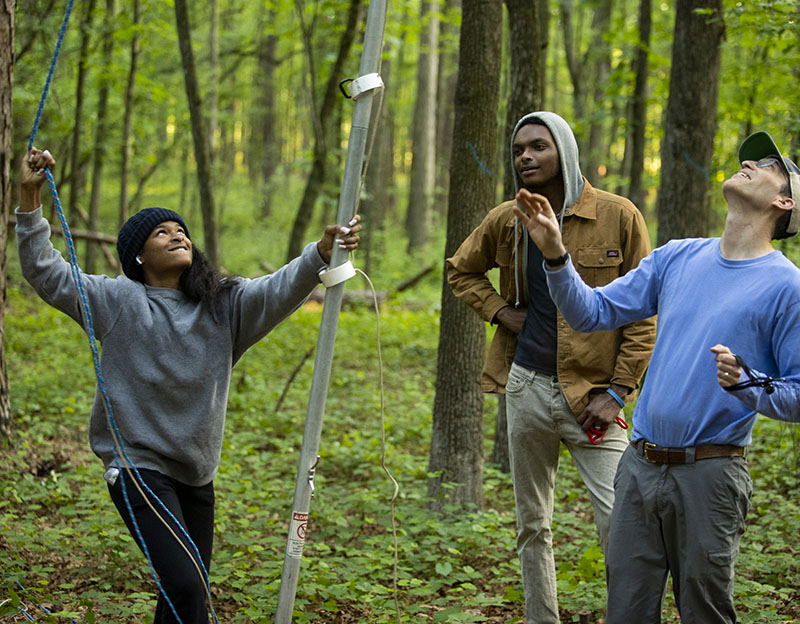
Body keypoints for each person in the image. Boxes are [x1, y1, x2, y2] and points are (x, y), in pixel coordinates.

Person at [17, 147, 362, 624]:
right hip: (138, 467)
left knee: (182, 593)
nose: (177, 235)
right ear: (139, 254)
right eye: (162, 232)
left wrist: (320, 255)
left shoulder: (223, 304)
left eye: (181, 230)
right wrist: (31, 197)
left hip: (197, 474)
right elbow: (46, 271)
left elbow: (277, 288)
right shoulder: (118, 300)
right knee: (186, 584)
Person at [514, 130, 800, 623]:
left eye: (768, 165)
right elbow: (592, 312)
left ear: (783, 201)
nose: (749, 162)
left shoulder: (787, 286)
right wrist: (556, 255)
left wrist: (748, 382)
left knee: (705, 613)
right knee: (625, 611)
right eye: (749, 158)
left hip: (711, 475)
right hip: (639, 467)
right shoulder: (678, 257)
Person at [446, 111, 656, 623]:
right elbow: (461, 269)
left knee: (621, 520)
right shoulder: (506, 219)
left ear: (564, 149)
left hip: (596, 401)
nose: (525, 157)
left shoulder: (619, 216)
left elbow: (645, 315)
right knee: (532, 523)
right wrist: (501, 311)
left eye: (538, 146)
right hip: (527, 389)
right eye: (519, 149)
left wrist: (620, 391)